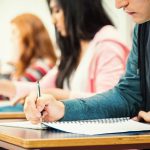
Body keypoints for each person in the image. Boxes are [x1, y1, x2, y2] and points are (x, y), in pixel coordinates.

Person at [23, 0, 150, 124]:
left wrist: (62, 96)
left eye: (57, 10)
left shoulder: (108, 43)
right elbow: (127, 96)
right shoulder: (142, 29)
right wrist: (63, 109)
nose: (119, 4)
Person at [0, 0, 129, 106]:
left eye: (57, 11)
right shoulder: (72, 52)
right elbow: (40, 88)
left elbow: (110, 102)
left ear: (77, 8)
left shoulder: (107, 44)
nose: (53, 20)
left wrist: (58, 95)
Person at [7, 13, 57, 82]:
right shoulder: (30, 65)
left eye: (14, 32)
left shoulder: (43, 65)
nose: (11, 38)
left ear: (29, 37)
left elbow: (14, 89)